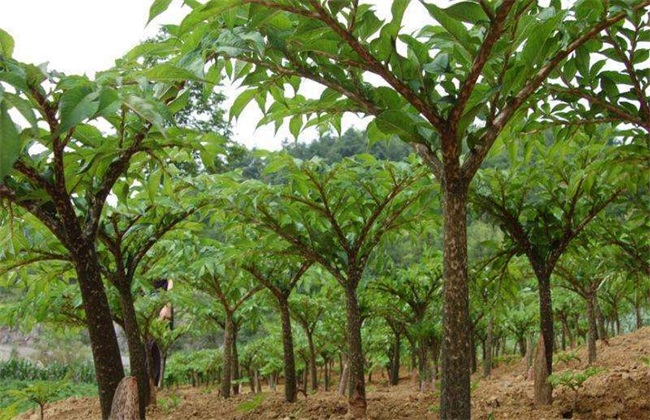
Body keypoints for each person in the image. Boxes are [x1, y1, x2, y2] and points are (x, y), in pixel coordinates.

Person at [147, 279, 173, 387]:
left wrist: (168, 306)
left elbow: (172, 278)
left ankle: (154, 388)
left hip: (161, 305)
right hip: (144, 301)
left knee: (157, 348)